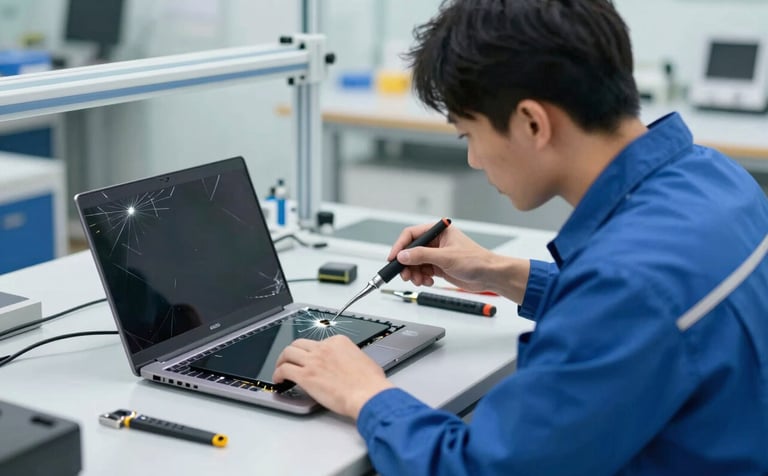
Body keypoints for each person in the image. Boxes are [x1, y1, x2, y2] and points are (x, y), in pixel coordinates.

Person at [273, 0, 768, 474]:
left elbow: (482, 467)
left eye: (468, 134)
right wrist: (502, 273)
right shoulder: (717, 178)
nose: (473, 159)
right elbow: (644, 322)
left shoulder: (628, 285)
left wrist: (364, 393)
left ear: (532, 122)